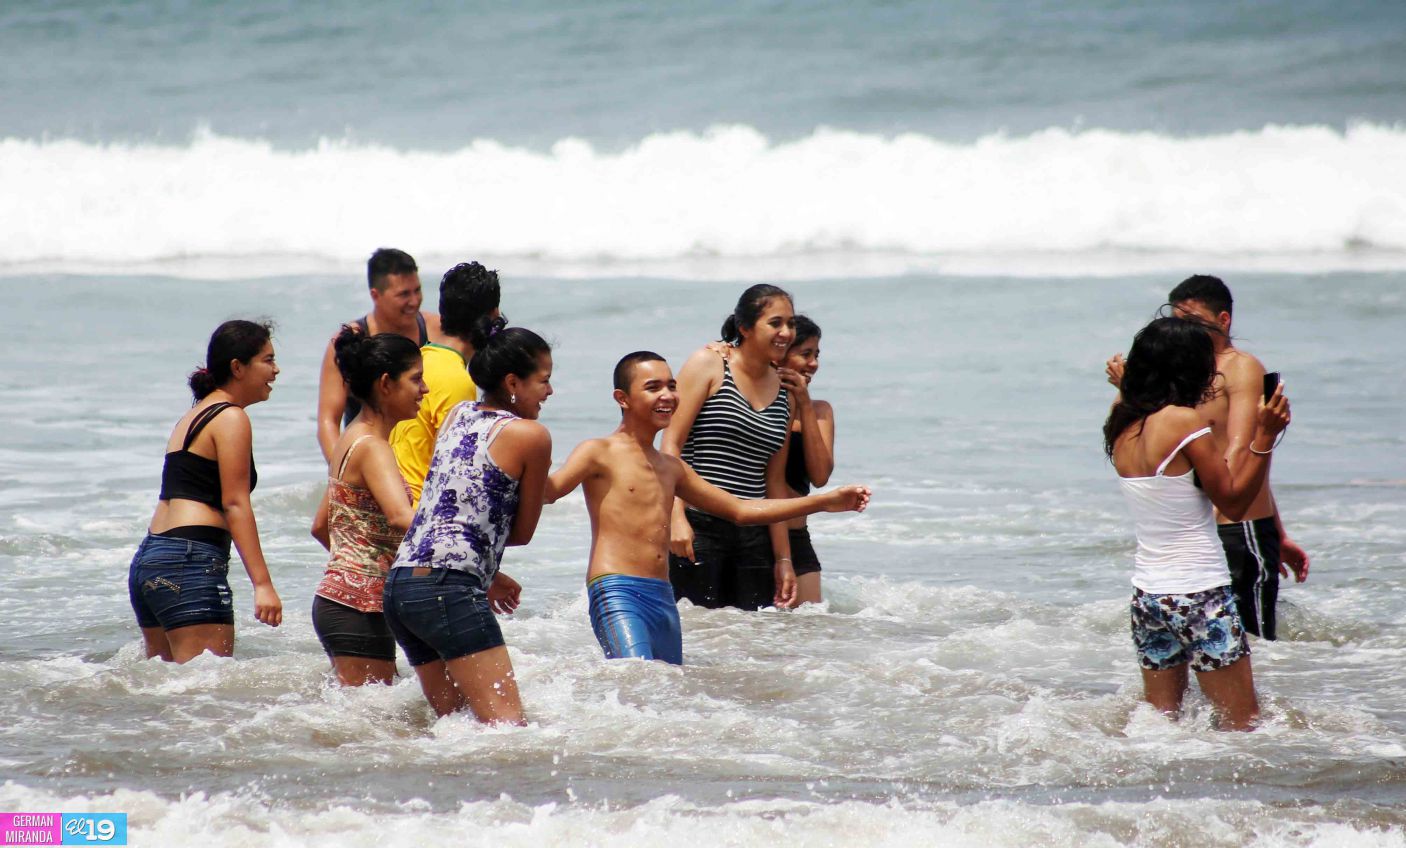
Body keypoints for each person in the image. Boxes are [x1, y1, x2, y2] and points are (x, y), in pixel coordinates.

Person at [545, 352, 870, 664]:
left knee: (666, 689)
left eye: (671, 386)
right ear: (622, 398)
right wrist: (520, 447)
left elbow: (740, 509)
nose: (668, 395)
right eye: (653, 387)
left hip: (662, 596)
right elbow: (549, 491)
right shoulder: (597, 452)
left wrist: (824, 502)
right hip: (617, 590)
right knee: (635, 677)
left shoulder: (672, 468)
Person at [1106, 316, 1290, 731]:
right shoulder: (1184, 422)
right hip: (1198, 592)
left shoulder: (1120, 420)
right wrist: (1265, 437)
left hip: (1149, 598)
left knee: (1161, 726)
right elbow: (1235, 502)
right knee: (1242, 726)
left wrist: (1125, 388)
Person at [1107, 275, 1309, 641]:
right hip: (1202, 523)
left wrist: (1270, 528)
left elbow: (1241, 445)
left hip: (1235, 521)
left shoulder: (1240, 366)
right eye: (1177, 319)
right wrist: (1131, 389)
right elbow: (1163, 442)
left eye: (1193, 321)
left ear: (1223, 320)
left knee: (1252, 641)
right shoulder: (1182, 377)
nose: (1184, 329)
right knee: (1218, 645)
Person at [382, 316, 552, 725]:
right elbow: (523, 533)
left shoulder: (459, 414)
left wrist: (485, 571)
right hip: (448, 588)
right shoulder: (532, 435)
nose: (550, 391)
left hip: (401, 586)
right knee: (507, 729)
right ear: (513, 382)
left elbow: (450, 511)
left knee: (453, 727)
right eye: (544, 380)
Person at [128, 320, 284, 662]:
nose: (276, 370)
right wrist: (263, 585)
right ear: (238, 367)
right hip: (189, 561)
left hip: (151, 560)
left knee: (170, 697)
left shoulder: (194, 415)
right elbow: (235, 503)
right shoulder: (230, 417)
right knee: (206, 697)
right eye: (268, 360)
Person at [663, 284, 798, 611]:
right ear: (745, 327)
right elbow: (670, 445)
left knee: (747, 641)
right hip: (699, 526)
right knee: (698, 634)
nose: (786, 332)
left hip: (754, 535)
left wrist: (783, 558)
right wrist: (675, 516)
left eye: (791, 324)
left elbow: (774, 483)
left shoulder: (785, 392)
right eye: (775, 323)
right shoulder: (708, 364)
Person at [309, 327, 427, 686]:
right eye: (416, 379)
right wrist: (466, 539)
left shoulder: (351, 438)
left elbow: (320, 525)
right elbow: (400, 516)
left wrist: (357, 568)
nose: (424, 390)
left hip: (344, 603)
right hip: (358, 609)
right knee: (373, 729)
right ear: (386, 384)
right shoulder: (373, 447)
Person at [389, 261, 502, 506]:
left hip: (396, 500)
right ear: (493, 315)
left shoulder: (423, 359)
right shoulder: (457, 379)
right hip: (420, 512)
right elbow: (454, 465)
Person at [317, 248, 441, 463]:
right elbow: (328, 421)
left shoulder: (436, 330)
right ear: (375, 295)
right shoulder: (350, 342)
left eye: (417, 290)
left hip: (423, 466)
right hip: (370, 459)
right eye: (403, 294)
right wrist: (343, 475)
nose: (414, 301)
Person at [772, 316, 835, 605]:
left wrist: (804, 405)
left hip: (797, 537)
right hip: (757, 535)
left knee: (809, 632)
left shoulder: (820, 411)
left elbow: (820, 475)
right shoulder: (755, 407)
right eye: (805, 354)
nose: (813, 364)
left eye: (816, 355)